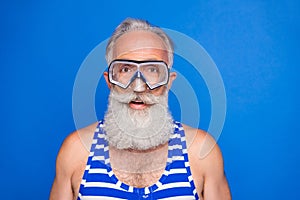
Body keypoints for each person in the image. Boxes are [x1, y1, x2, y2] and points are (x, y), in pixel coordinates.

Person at [50, 18, 231, 200]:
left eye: (152, 70)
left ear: (169, 81)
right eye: (125, 69)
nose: (138, 86)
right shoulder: (76, 151)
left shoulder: (202, 152)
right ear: (109, 81)